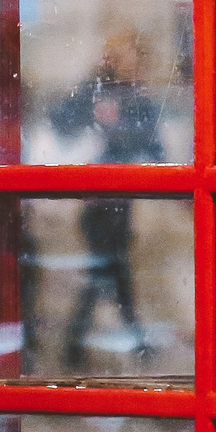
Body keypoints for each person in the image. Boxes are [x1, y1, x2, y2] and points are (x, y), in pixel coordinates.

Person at [47, 31, 166, 371]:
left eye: (137, 58)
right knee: (110, 269)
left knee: (107, 270)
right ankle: (132, 342)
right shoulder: (97, 91)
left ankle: (80, 346)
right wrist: (95, 85)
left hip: (120, 202)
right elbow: (60, 119)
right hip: (96, 202)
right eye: (125, 57)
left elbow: (154, 148)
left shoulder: (139, 100)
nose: (134, 65)